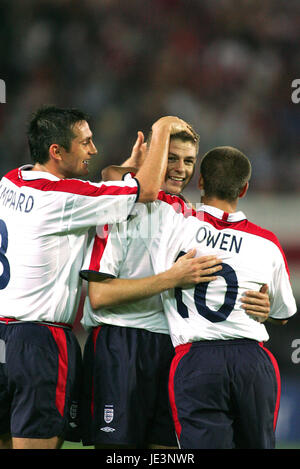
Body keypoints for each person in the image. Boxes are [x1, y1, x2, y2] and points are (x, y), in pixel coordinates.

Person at [0, 106, 195, 450]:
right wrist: (162, 127)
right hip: (38, 340)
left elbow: (102, 187)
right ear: (56, 151)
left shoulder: (11, 181)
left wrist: (126, 169)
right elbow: (145, 190)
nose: (93, 150)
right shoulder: (64, 197)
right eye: (85, 142)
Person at [83, 145, 296, 449]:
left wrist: (147, 155)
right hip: (252, 360)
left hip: (196, 359)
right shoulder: (267, 242)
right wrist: (266, 310)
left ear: (200, 182)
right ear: (245, 189)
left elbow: (118, 181)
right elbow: (284, 312)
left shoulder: (174, 224)